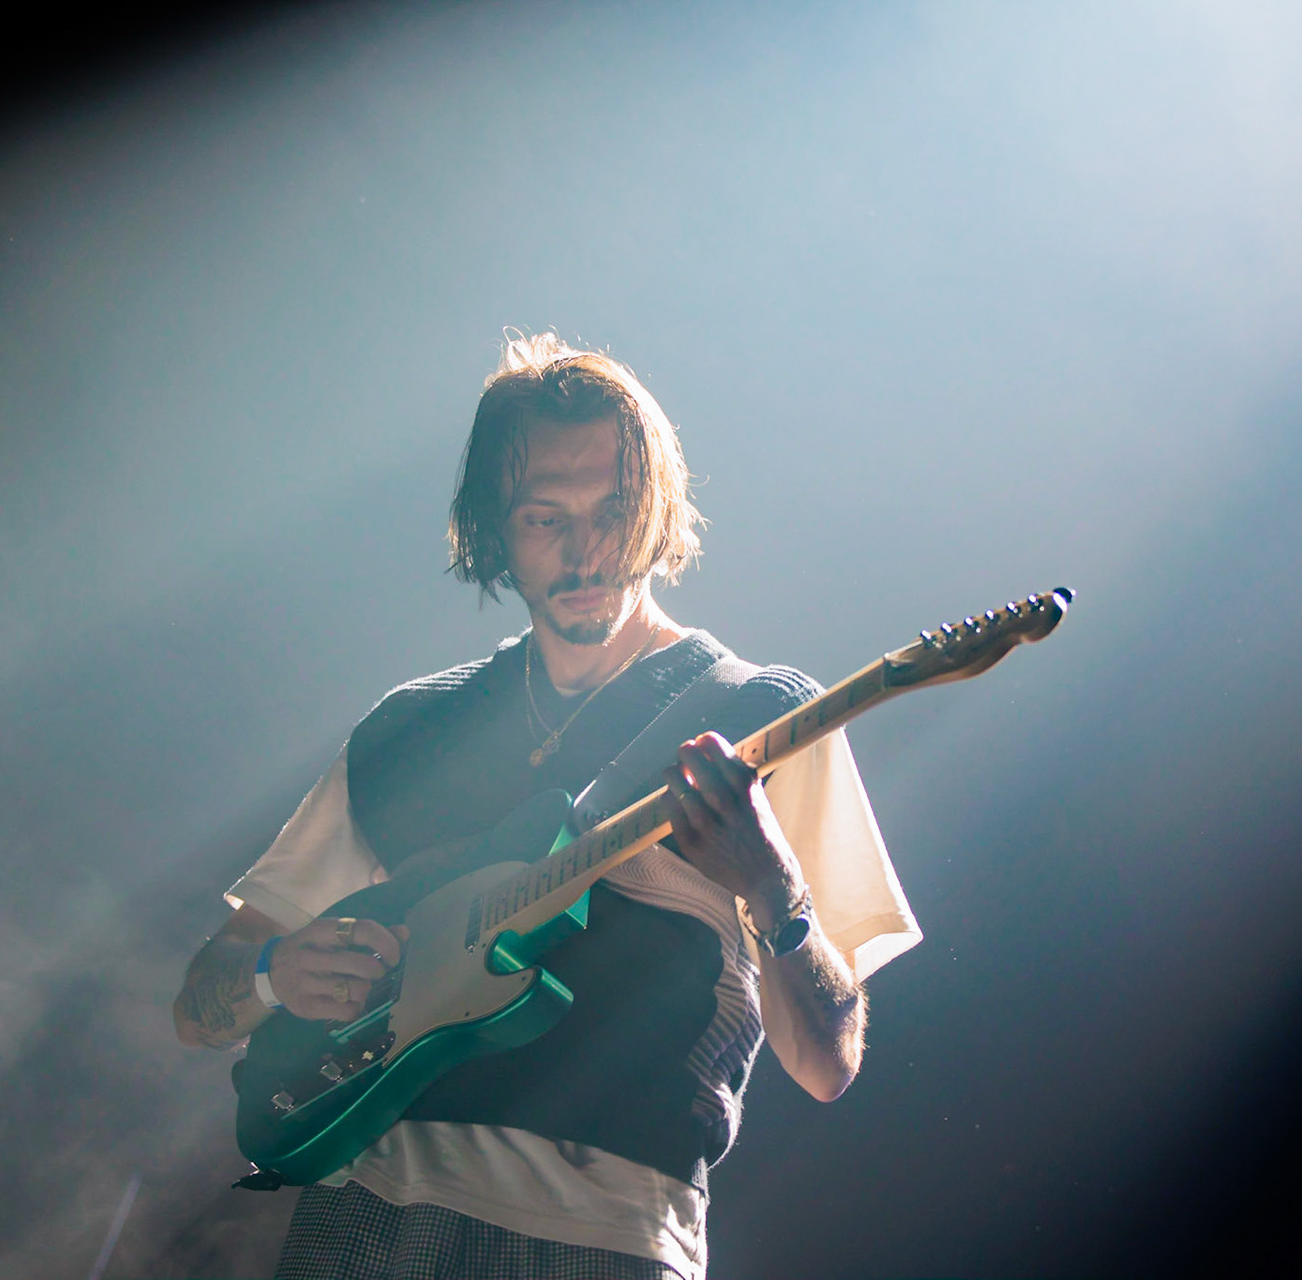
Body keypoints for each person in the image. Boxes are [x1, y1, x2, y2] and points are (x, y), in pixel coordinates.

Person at [173, 334, 920, 1279]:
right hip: (357, 1223)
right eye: (542, 518)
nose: (584, 551)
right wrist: (277, 974)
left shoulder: (765, 718)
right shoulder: (406, 730)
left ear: (656, 508)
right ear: (494, 527)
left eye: (612, 511)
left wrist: (773, 888)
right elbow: (204, 997)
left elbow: (827, 1063)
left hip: (607, 1241)